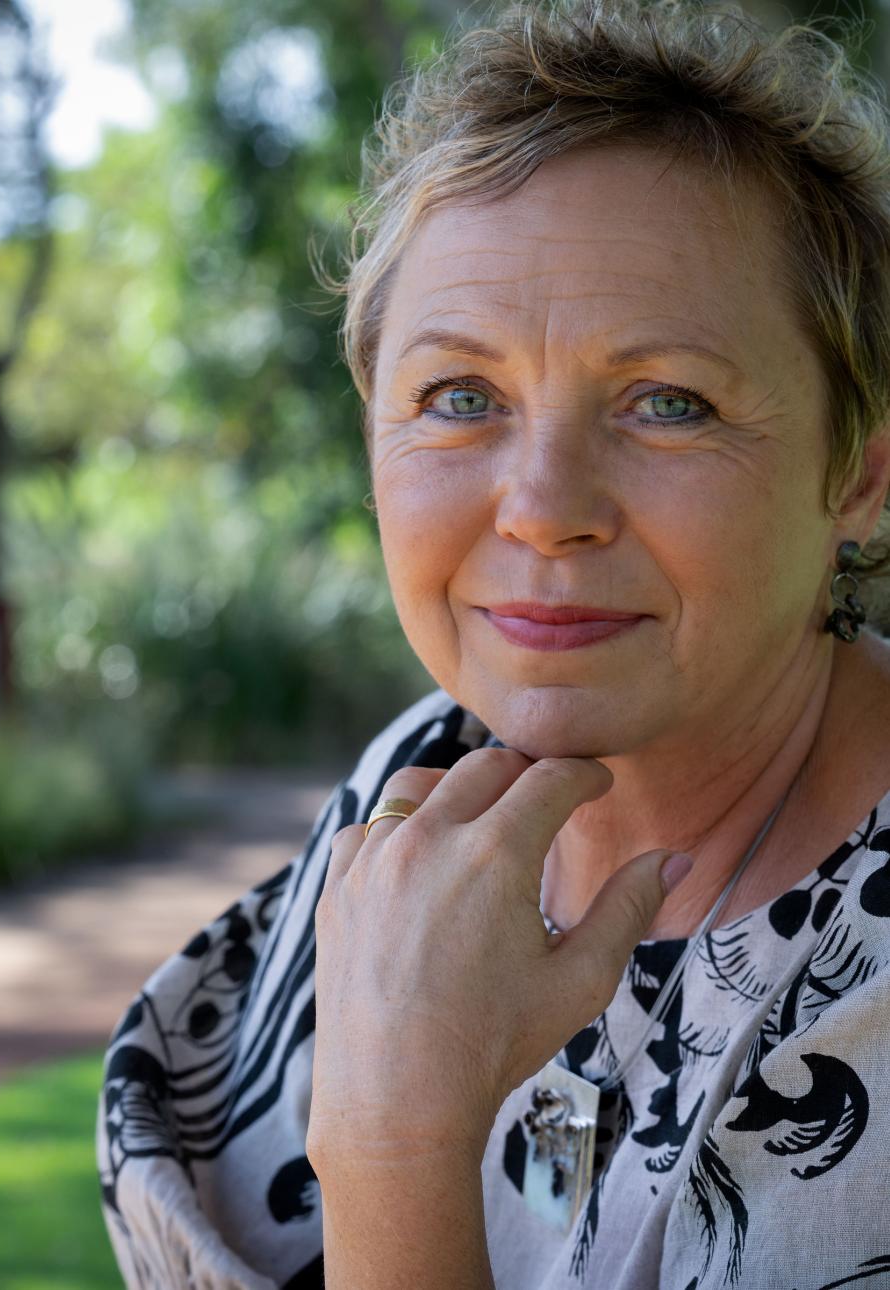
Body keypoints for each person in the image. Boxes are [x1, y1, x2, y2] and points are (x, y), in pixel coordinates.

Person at [95, 0, 890, 1285]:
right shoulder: (415, 779)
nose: (542, 508)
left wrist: (392, 1138)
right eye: (459, 398)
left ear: (853, 478)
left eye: (668, 402)